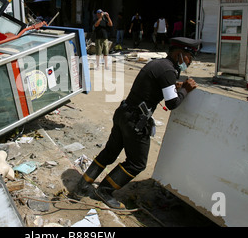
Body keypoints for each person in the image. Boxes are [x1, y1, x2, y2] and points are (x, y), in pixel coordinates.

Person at [72, 37, 201, 209]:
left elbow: (157, 86)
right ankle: (104, 190)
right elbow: (172, 104)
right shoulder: (169, 70)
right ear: (179, 54)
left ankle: (82, 185)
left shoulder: (159, 64)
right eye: (188, 58)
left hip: (123, 113)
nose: (189, 62)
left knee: (110, 152)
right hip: (135, 122)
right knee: (137, 163)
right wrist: (186, 89)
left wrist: (177, 86)